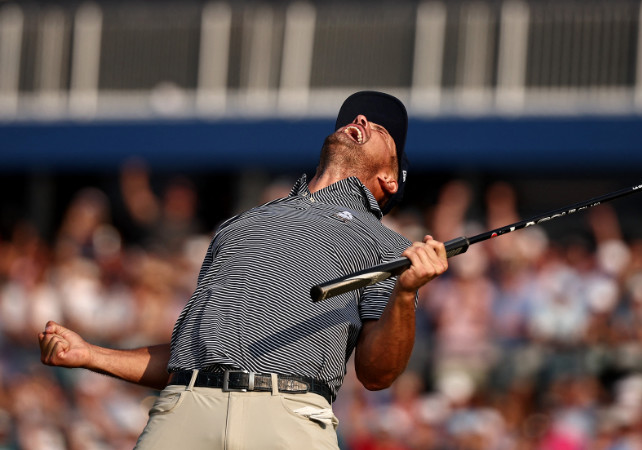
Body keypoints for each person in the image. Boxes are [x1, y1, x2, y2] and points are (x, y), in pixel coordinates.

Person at [38, 91, 449, 449]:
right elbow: (186, 357)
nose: (359, 121)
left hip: (288, 417)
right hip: (186, 407)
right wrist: (90, 354)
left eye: (380, 127)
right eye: (355, 116)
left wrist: (406, 292)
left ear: (390, 179)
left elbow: (378, 374)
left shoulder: (388, 245)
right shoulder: (240, 225)